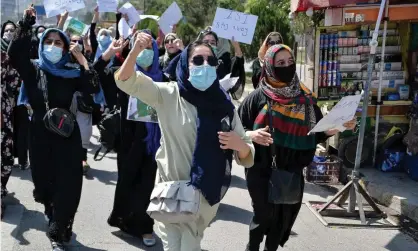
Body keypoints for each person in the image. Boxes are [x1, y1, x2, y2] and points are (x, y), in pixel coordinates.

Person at [115, 32, 255, 251]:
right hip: (171, 193)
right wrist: (134, 52)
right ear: (185, 64)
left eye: (210, 61)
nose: (205, 65)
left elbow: (247, 152)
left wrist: (241, 145)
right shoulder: (169, 94)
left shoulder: (223, 104)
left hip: (203, 198)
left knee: (189, 245)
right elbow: (126, 81)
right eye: (198, 60)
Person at [238, 44, 356, 251]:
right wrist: (251, 135)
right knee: (262, 214)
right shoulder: (256, 98)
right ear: (269, 66)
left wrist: (338, 126)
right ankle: (252, 247)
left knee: (282, 217)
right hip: (260, 168)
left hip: (291, 170)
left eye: (290, 62)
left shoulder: (306, 99)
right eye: (280, 63)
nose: (286, 66)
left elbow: (317, 133)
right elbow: (237, 129)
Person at [8, 7, 100, 250]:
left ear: (65, 46)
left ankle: (59, 231)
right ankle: (51, 212)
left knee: (68, 185)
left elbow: (92, 87)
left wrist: (81, 59)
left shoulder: (72, 71)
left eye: (58, 42)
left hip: (67, 134)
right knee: (44, 183)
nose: (52, 45)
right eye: (48, 41)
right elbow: (14, 53)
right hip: (39, 134)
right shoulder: (33, 69)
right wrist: (26, 24)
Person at [105, 31, 165, 247]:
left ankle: (145, 227)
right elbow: (115, 77)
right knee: (126, 183)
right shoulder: (124, 74)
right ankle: (125, 221)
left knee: (147, 185)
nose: (145, 53)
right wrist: (133, 50)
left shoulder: (164, 78)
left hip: (154, 142)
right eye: (141, 48)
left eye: (150, 48)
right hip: (128, 140)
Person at [1, 20, 21, 219]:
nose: (8, 34)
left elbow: (15, 83)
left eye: (11, 31)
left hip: (4, 113)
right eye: (5, 31)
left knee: (5, 155)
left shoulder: (10, 58)